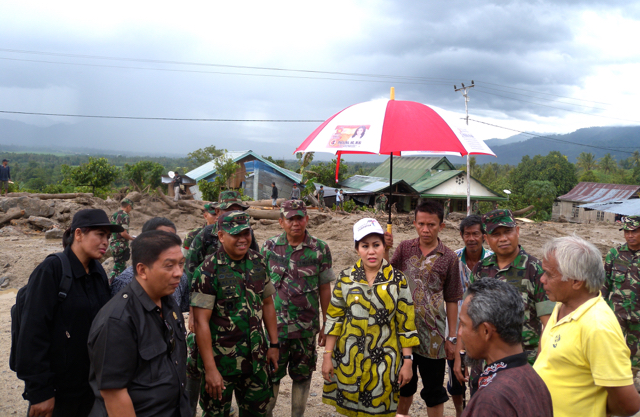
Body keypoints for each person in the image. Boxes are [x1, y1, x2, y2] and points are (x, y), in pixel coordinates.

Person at [14, 209, 118, 417]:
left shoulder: (98, 273)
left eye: (108, 236)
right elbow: (33, 332)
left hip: (90, 389)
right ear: (78, 234)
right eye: (99, 234)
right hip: (58, 392)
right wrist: (40, 391)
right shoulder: (52, 270)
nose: (106, 241)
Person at [322, 218, 419, 417]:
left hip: (384, 363)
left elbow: (406, 323)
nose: (371, 251)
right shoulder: (346, 278)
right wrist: (327, 356)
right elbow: (335, 318)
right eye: (365, 246)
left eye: (376, 245)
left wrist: (407, 361)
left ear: (384, 246)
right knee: (351, 410)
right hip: (350, 360)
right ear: (357, 249)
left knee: (379, 410)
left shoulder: (398, 280)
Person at [534, 236, 640, 417]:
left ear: (576, 281)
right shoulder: (563, 304)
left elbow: (628, 404)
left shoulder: (597, 327)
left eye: (549, 274)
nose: (542, 279)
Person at [87, 231, 190, 417]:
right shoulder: (118, 320)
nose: (179, 273)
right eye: (169, 266)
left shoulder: (168, 303)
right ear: (142, 270)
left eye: (181, 264)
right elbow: (114, 394)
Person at [191, 211, 279, 416]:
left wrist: (274, 345)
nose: (242, 239)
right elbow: (201, 322)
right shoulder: (207, 270)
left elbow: (267, 303)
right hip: (221, 363)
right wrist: (210, 369)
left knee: (258, 412)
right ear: (221, 236)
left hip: (256, 360)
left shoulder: (258, 262)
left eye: (246, 233)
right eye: (235, 234)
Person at [385, 200, 461, 417]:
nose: (425, 229)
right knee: (403, 385)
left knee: (435, 390)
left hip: (434, 337)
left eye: (431, 225)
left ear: (442, 226)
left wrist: (452, 337)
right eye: (421, 224)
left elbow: (453, 298)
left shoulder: (449, 257)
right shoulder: (404, 249)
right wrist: (385, 248)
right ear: (414, 223)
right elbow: (385, 276)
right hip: (402, 332)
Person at [262, 200, 335, 417]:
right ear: (281, 222)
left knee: (302, 377)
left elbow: (324, 289)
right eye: (291, 218)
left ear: (307, 219)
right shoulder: (269, 247)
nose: (296, 223)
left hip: (305, 329)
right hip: (275, 330)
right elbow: (261, 288)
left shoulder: (320, 249)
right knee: (271, 376)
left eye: (300, 217)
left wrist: (327, 325)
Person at [184, 191, 253, 416]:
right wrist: (193, 312)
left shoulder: (247, 237)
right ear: (218, 211)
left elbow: (255, 273)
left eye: (238, 209)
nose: (234, 213)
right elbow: (190, 272)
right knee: (197, 362)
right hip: (204, 308)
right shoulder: (204, 236)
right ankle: (191, 409)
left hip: (234, 310)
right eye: (229, 209)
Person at [458, 279, 553, 417]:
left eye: (463, 325)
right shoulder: (535, 380)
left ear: (486, 331)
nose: (460, 333)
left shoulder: (490, 401)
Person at [471, 209, 554, 366]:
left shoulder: (535, 270)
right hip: (485, 364)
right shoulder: (480, 270)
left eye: (507, 232)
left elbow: (548, 324)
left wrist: (540, 365)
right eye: (496, 234)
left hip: (524, 363)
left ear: (517, 231)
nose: (503, 239)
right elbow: (471, 317)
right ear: (486, 239)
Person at [449, 215, 493, 416]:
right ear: (461, 236)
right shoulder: (453, 258)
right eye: (468, 234)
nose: (472, 238)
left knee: (482, 377)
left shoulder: (492, 260)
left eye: (476, 233)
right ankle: (460, 411)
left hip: (483, 330)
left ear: (483, 236)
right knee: (455, 375)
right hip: (456, 326)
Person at [110, 217, 190, 312]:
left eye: (172, 238)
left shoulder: (181, 278)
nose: (169, 244)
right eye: (163, 239)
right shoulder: (125, 282)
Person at [603, 215, 640, 374]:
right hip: (616, 314)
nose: (629, 235)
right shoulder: (614, 254)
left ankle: (631, 382)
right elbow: (604, 284)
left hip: (638, 316)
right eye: (626, 231)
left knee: (637, 354)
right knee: (611, 349)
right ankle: (611, 382)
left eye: (634, 231)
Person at [108, 198, 135, 282]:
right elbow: (123, 233)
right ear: (128, 206)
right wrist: (132, 238)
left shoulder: (114, 215)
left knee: (119, 266)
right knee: (118, 269)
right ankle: (111, 285)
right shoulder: (125, 216)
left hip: (113, 245)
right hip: (121, 246)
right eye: (131, 208)